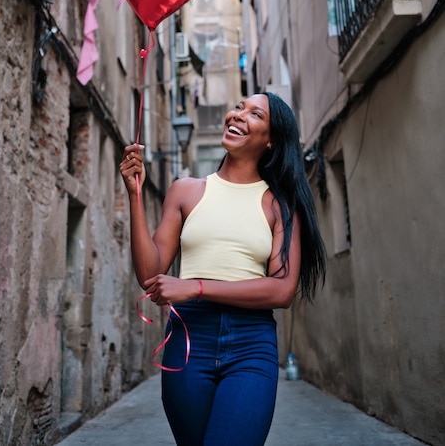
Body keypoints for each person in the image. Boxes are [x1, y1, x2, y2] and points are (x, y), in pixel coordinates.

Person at [120, 92, 326, 446]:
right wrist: (135, 196)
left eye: (254, 114)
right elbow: (149, 273)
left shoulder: (281, 204)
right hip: (188, 343)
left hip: (251, 345)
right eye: (238, 107)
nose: (238, 115)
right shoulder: (186, 191)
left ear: (271, 138)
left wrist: (196, 287)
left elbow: (282, 291)